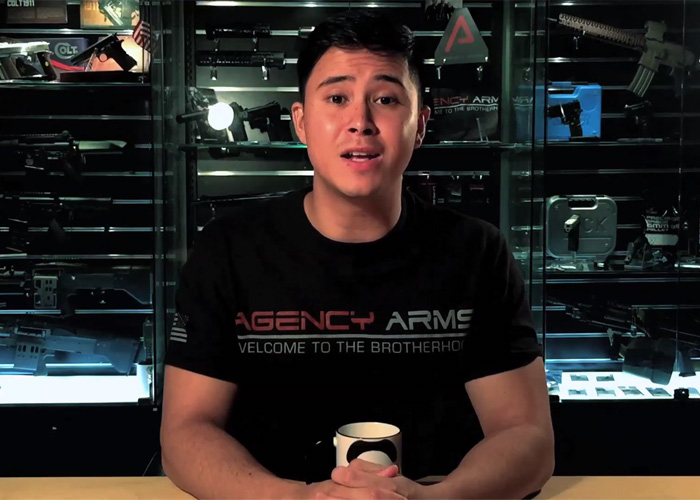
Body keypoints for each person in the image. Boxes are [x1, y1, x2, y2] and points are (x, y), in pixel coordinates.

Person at [160, 8, 554, 500]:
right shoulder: (228, 250)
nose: (360, 123)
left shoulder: (476, 252)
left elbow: (526, 436)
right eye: (337, 98)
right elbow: (186, 433)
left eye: (386, 99)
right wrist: (303, 499)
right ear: (301, 122)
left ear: (420, 124)